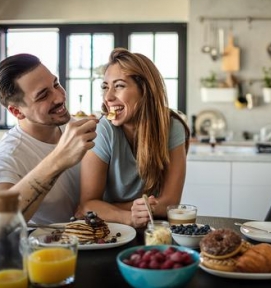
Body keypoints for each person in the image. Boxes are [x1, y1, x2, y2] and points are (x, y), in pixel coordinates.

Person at [0, 53, 98, 231]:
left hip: (105, 241)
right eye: (43, 95)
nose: (59, 97)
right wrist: (58, 160)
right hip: (50, 252)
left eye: (56, 84)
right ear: (17, 112)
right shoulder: (10, 155)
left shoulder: (77, 126)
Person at [76, 48, 190, 228]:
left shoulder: (172, 127)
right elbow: (86, 206)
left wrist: (110, 208)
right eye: (105, 87)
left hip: (153, 228)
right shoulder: (104, 129)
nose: (108, 97)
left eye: (119, 86)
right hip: (110, 229)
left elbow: (170, 202)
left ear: (145, 90)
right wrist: (129, 215)